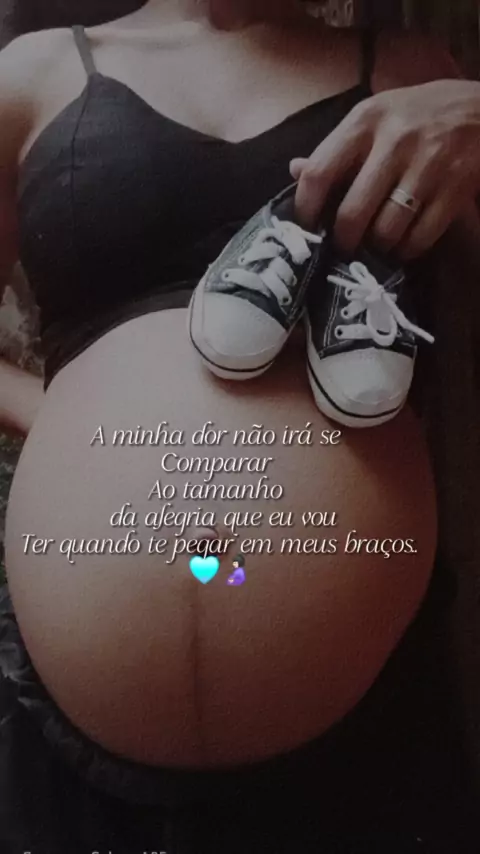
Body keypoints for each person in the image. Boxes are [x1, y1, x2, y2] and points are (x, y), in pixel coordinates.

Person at [0, 1, 478, 851]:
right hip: (67, 739)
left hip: (364, 730)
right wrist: (73, 428)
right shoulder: (33, 73)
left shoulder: (413, 72)